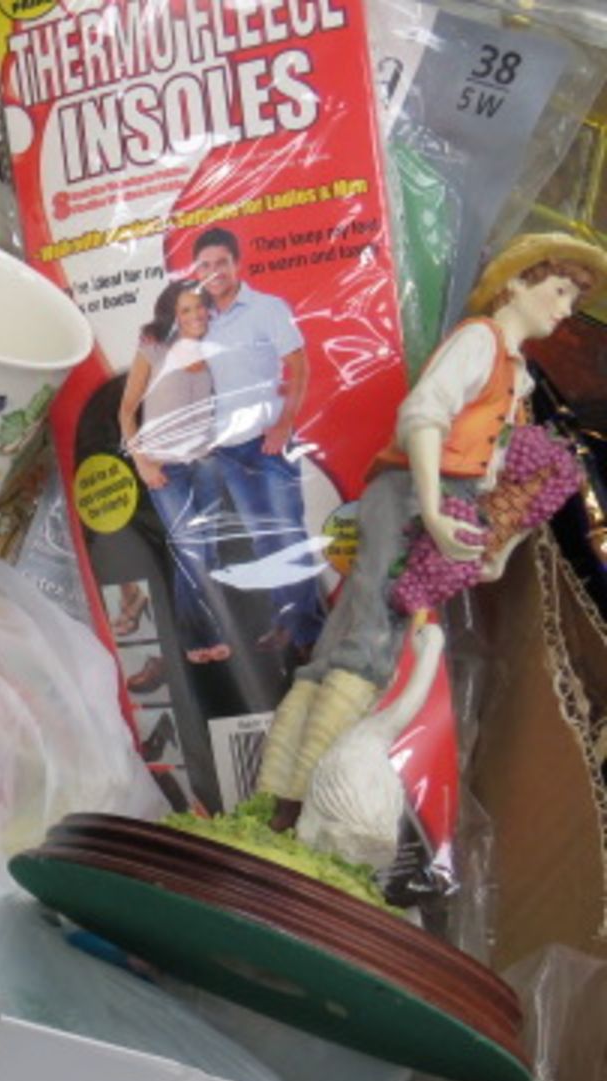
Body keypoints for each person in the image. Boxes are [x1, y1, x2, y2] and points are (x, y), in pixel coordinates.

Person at [257, 232, 607, 811]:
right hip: (415, 494)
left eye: (574, 297)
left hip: (450, 501)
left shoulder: (516, 376)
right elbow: (423, 418)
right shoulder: (478, 341)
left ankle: (280, 792)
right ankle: (291, 798)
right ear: (517, 282)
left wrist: (493, 543)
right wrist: (433, 509)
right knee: (371, 636)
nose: (566, 307)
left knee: (361, 634)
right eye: (560, 289)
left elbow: (499, 467)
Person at [192, 226, 325, 653]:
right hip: (228, 450)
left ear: (236, 264)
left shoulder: (267, 308)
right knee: (264, 539)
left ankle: (309, 634)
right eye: (205, 265)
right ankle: (287, 624)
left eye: (221, 263)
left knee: (287, 534)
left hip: (270, 442)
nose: (214, 272)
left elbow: (298, 367)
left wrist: (284, 423)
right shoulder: (199, 322)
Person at [119, 278, 231, 664]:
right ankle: (198, 639)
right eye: (185, 309)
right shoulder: (153, 350)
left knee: (210, 553)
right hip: (165, 470)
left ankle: (204, 638)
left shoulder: (216, 349)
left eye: (199, 306)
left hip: (208, 465)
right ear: (173, 315)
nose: (195, 314)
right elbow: (126, 410)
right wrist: (142, 461)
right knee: (190, 551)